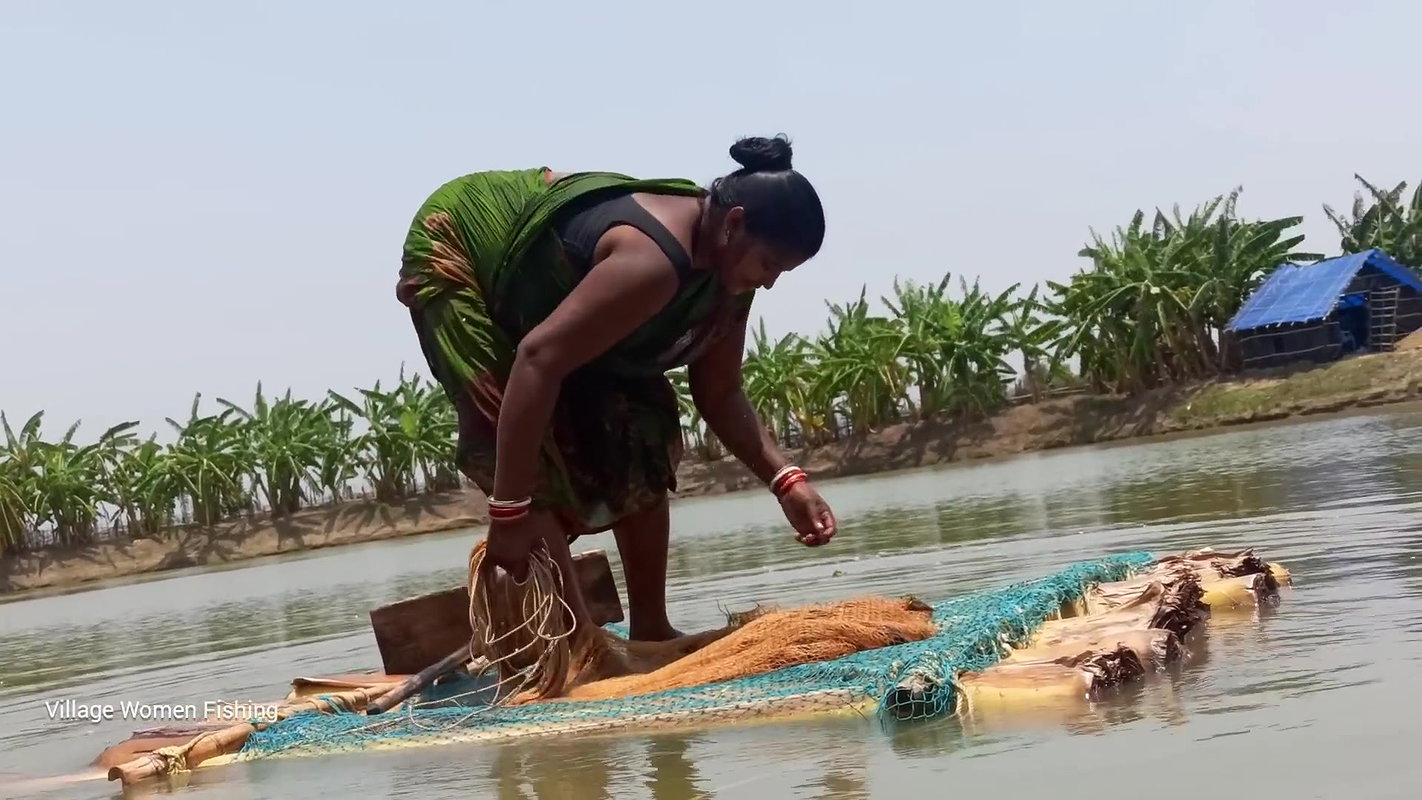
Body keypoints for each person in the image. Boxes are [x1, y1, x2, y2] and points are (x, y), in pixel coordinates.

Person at [396, 134, 838, 642]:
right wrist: (509, 512)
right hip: (463, 247)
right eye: (768, 266)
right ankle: (577, 642)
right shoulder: (651, 263)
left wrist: (787, 481)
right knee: (517, 447)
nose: (769, 285)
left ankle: (650, 627)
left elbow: (720, 392)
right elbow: (537, 361)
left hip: (552, 298)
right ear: (733, 223)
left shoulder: (724, 273)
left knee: (641, 421)